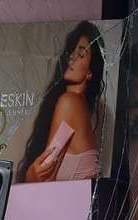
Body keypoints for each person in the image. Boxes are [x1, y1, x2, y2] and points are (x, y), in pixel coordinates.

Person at [17, 21, 105, 183]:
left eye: (81, 54)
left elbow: (45, 175)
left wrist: (30, 174)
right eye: (71, 52)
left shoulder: (70, 103)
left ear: (90, 72)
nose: (72, 56)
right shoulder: (81, 109)